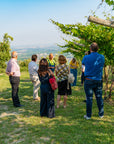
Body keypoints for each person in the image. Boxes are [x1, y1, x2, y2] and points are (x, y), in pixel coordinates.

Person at [82, 42, 105, 120]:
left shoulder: (86, 57)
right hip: (98, 79)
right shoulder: (102, 57)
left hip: (89, 80)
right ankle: (101, 114)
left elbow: (83, 64)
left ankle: (88, 115)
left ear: (90, 49)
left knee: (89, 98)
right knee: (99, 97)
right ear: (98, 49)